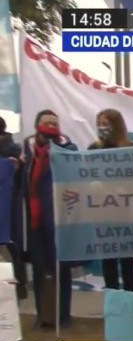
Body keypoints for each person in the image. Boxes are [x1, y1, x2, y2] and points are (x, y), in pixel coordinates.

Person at [23, 110, 78, 329]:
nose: (51, 127)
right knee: (39, 267)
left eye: (55, 123)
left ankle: (63, 315)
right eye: (46, 123)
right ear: (37, 125)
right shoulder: (25, 149)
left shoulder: (67, 146)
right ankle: (42, 315)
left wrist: (55, 149)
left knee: (61, 267)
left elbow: (75, 164)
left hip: (58, 219)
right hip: (34, 218)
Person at [88, 109, 133, 292]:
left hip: (127, 211)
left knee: (127, 259)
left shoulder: (132, 148)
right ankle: (112, 301)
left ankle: (130, 299)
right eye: (99, 123)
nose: (102, 127)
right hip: (104, 212)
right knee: (108, 260)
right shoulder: (93, 149)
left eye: (106, 123)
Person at [0, 116, 27, 300]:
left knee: (10, 248)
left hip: (8, 206)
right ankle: (19, 288)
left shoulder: (10, 150)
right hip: (10, 206)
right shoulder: (14, 150)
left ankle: (16, 288)